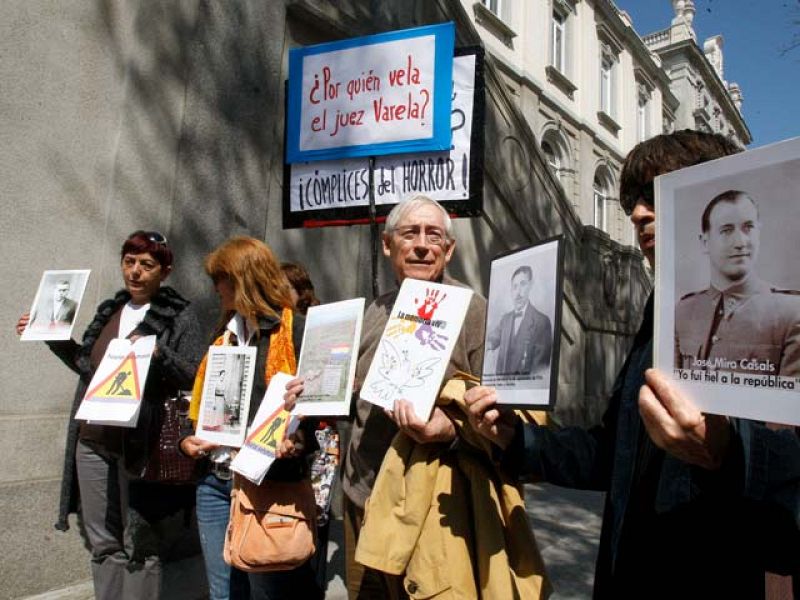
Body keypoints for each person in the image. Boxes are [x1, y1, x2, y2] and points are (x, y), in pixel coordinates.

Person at [465, 130, 800, 598]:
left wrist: (726, 454)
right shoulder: (660, 315)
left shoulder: (788, 315)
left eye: (655, 193)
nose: (639, 214)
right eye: (632, 204)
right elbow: (611, 453)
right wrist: (517, 438)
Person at [16, 230, 205, 599]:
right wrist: (51, 336)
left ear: (165, 271)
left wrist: (159, 355)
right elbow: (88, 366)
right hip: (93, 438)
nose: (135, 272)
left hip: (141, 443)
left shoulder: (179, 316)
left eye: (147, 265)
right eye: (129, 262)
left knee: (140, 541)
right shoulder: (111, 311)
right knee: (103, 541)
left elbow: (196, 373)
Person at [178, 237, 322, 600]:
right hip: (214, 480)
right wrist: (188, 437)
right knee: (223, 592)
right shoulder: (224, 335)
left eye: (221, 277)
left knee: (269, 590)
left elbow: (317, 409)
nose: (216, 287)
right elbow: (200, 402)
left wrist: (297, 440)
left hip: (268, 483)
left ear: (244, 278)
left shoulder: (296, 332)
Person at [675, 189, 800, 376]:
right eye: (726, 231)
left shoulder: (791, 313)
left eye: (748, 228)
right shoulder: (683, 312)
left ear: (759, 233)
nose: (740, 242)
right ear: (704, 242)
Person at [486, 265, 553, 376]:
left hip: (524, 391)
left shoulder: (542, 322)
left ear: (530, 285)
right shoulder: (505, 320)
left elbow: (539, 371)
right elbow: (491, 341)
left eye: (523, 284)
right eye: (515, 286)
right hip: (499, 389)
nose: (518, 292)